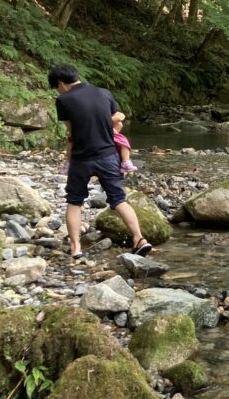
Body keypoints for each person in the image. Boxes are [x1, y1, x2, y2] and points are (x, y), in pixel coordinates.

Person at [49, 64, 154, 259]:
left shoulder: (63, 100)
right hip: (108, 156)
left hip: (82, 159)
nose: (58, 90)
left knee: (75, 202)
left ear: (61, 83)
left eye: (56, 87)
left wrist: (67, 159)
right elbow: (117, 119)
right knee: (119, 199)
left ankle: (76, 248)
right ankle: (140, 239)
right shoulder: (104, 93)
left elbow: (71, 133)